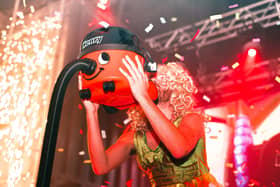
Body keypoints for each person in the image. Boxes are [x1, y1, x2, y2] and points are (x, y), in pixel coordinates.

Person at [82, 55, 220, 187]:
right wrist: (91, 113)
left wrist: (143, 98)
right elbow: (101, 166)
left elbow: (179, 149)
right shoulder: (136, 135)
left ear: (176, 87)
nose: (155, 81)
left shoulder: (191, 119)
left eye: (162, 77)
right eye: (151, 78)